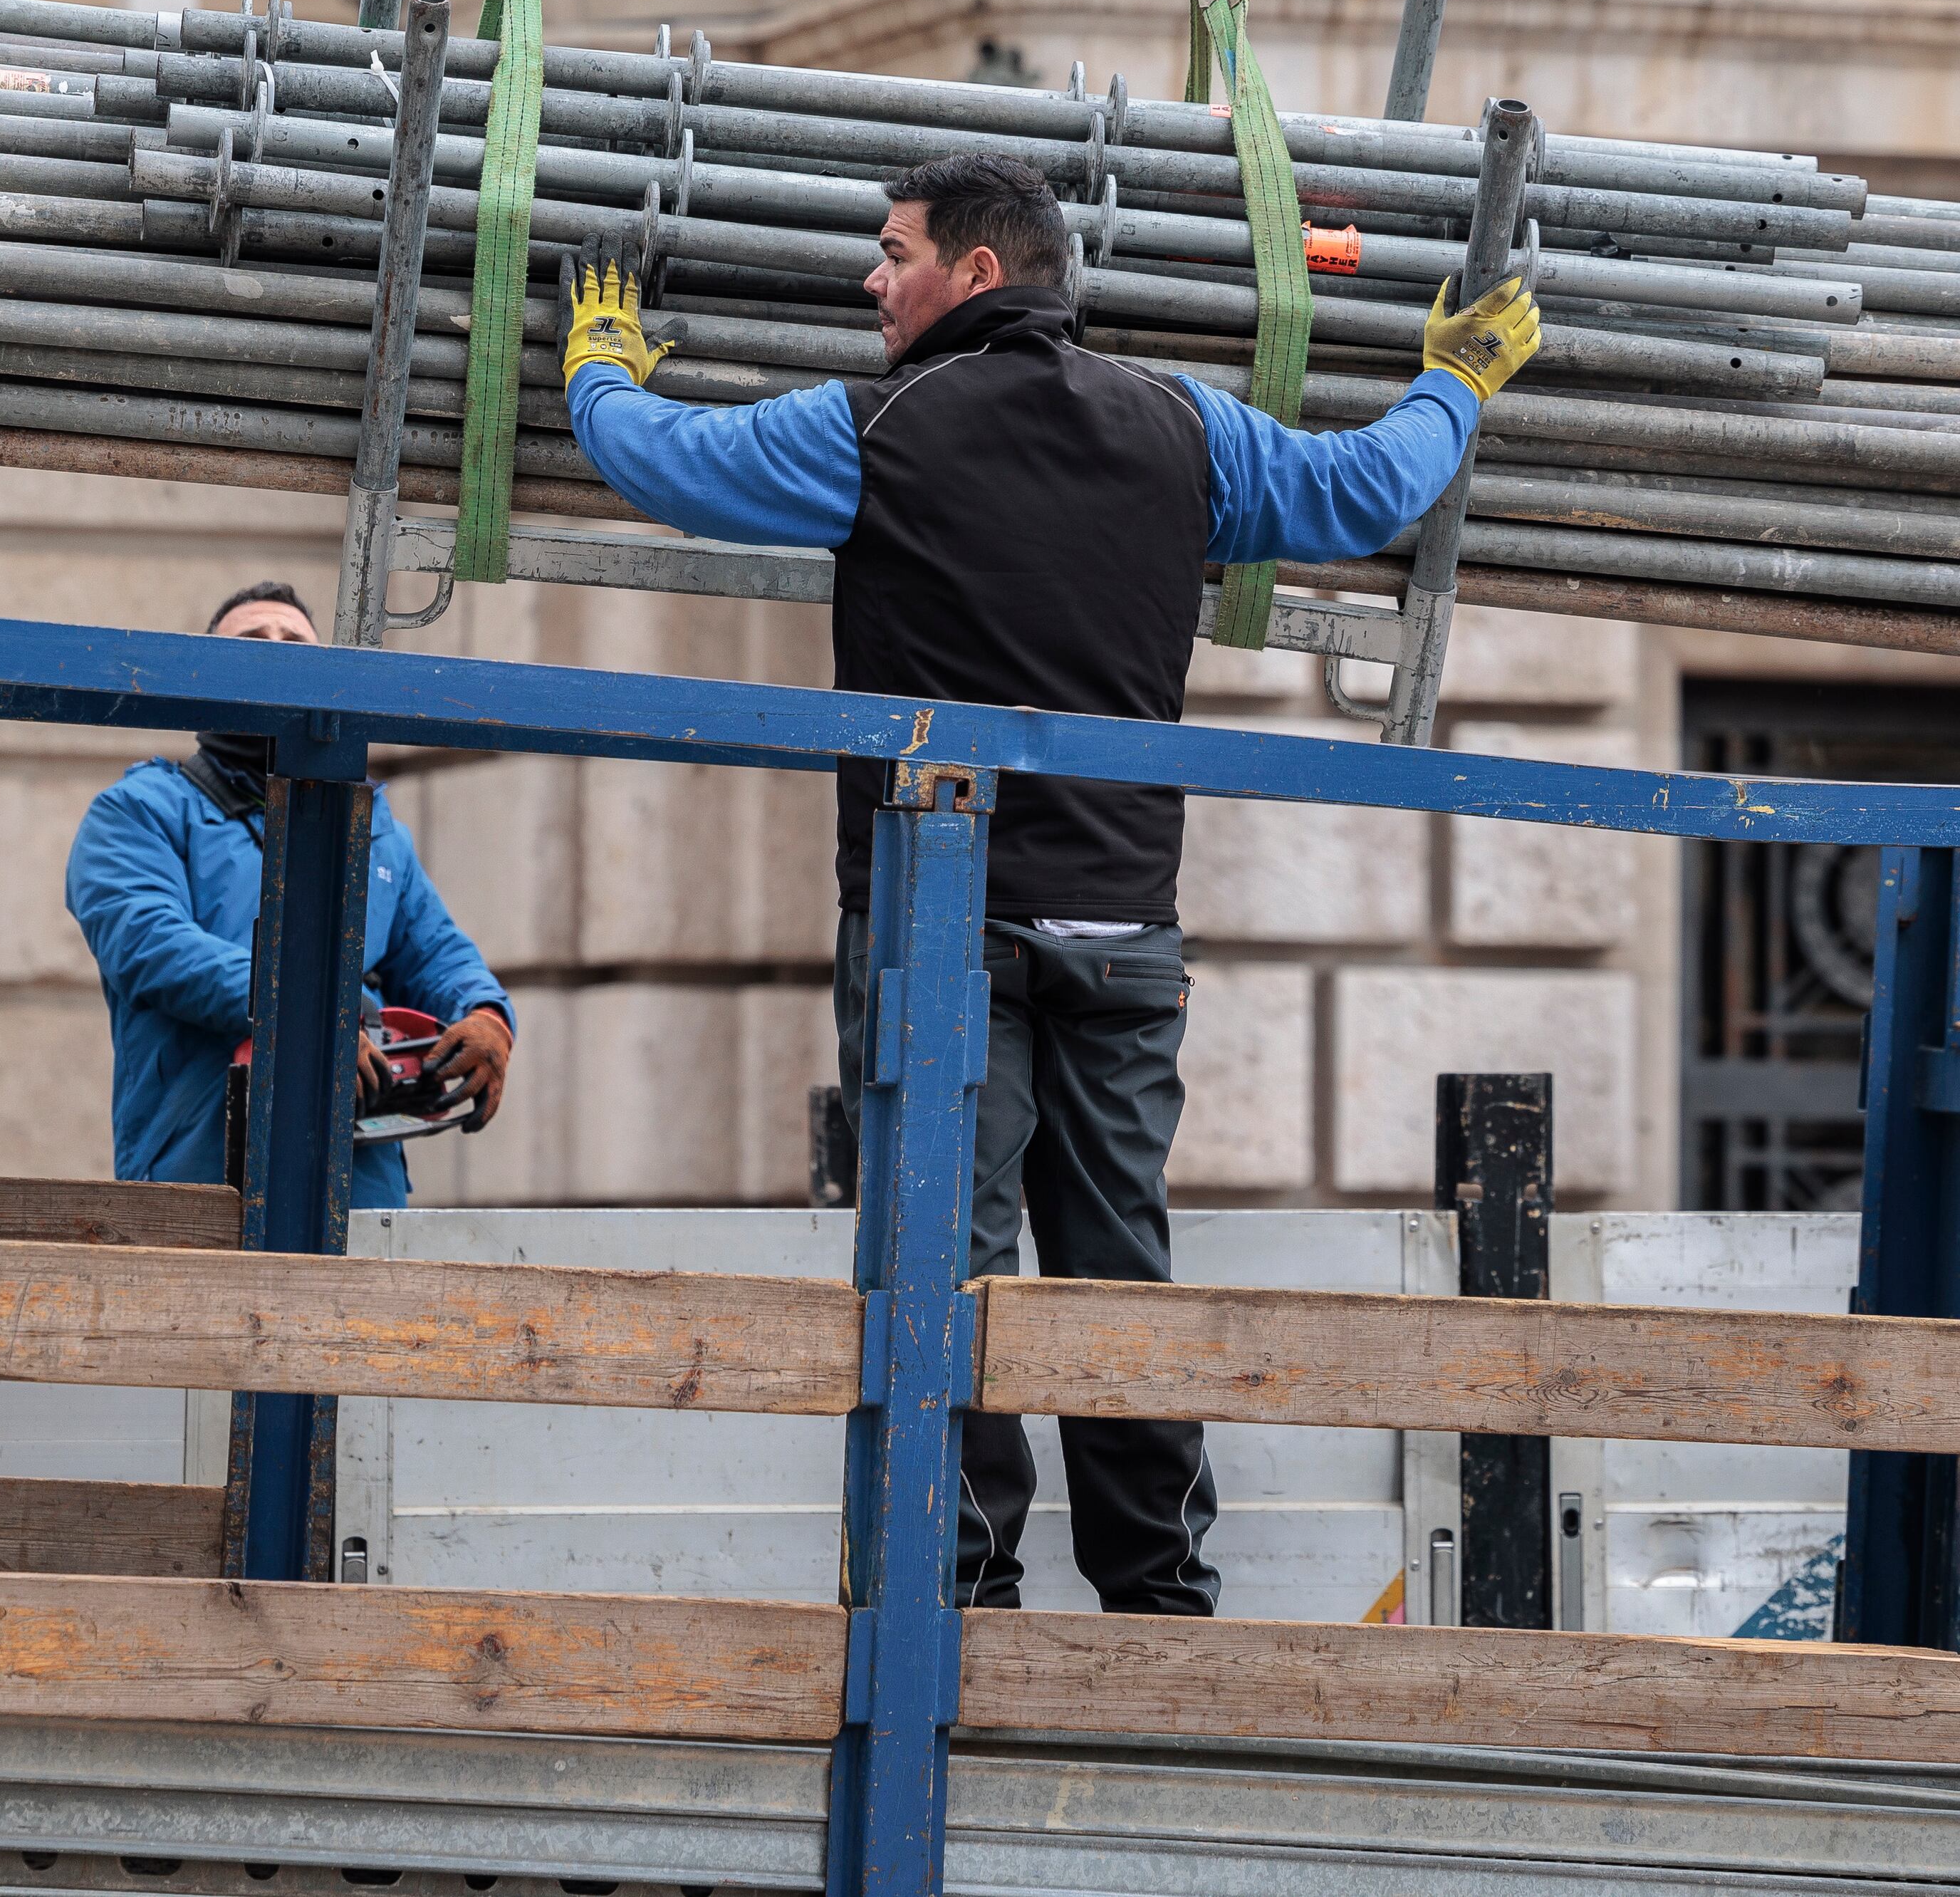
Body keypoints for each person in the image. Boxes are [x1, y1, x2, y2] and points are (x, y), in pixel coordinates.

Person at [553, 151, 1539, 1615]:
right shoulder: (1182, 425)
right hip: (1125, 927)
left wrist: (597, 372)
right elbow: (1360, 491)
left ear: (977, 273)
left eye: (892, 253)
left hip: (942, 922)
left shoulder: (880, 426)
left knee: (939, 1264)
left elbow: (667, 464)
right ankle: (1156, 1608)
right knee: (1117, 1270)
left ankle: (953, 1605)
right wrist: (1455, 380)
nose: (868, 280)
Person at [66, 579, 514, 1206]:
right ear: (203, 682)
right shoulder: (140, 812)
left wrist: (488, 1015)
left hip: (361, 1193)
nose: (278, 650)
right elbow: (150, 944)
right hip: (199, 1184)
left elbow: (438, 953)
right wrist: (311, 1011)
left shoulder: (373, 833)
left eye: (295, 641)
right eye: (254, 640)